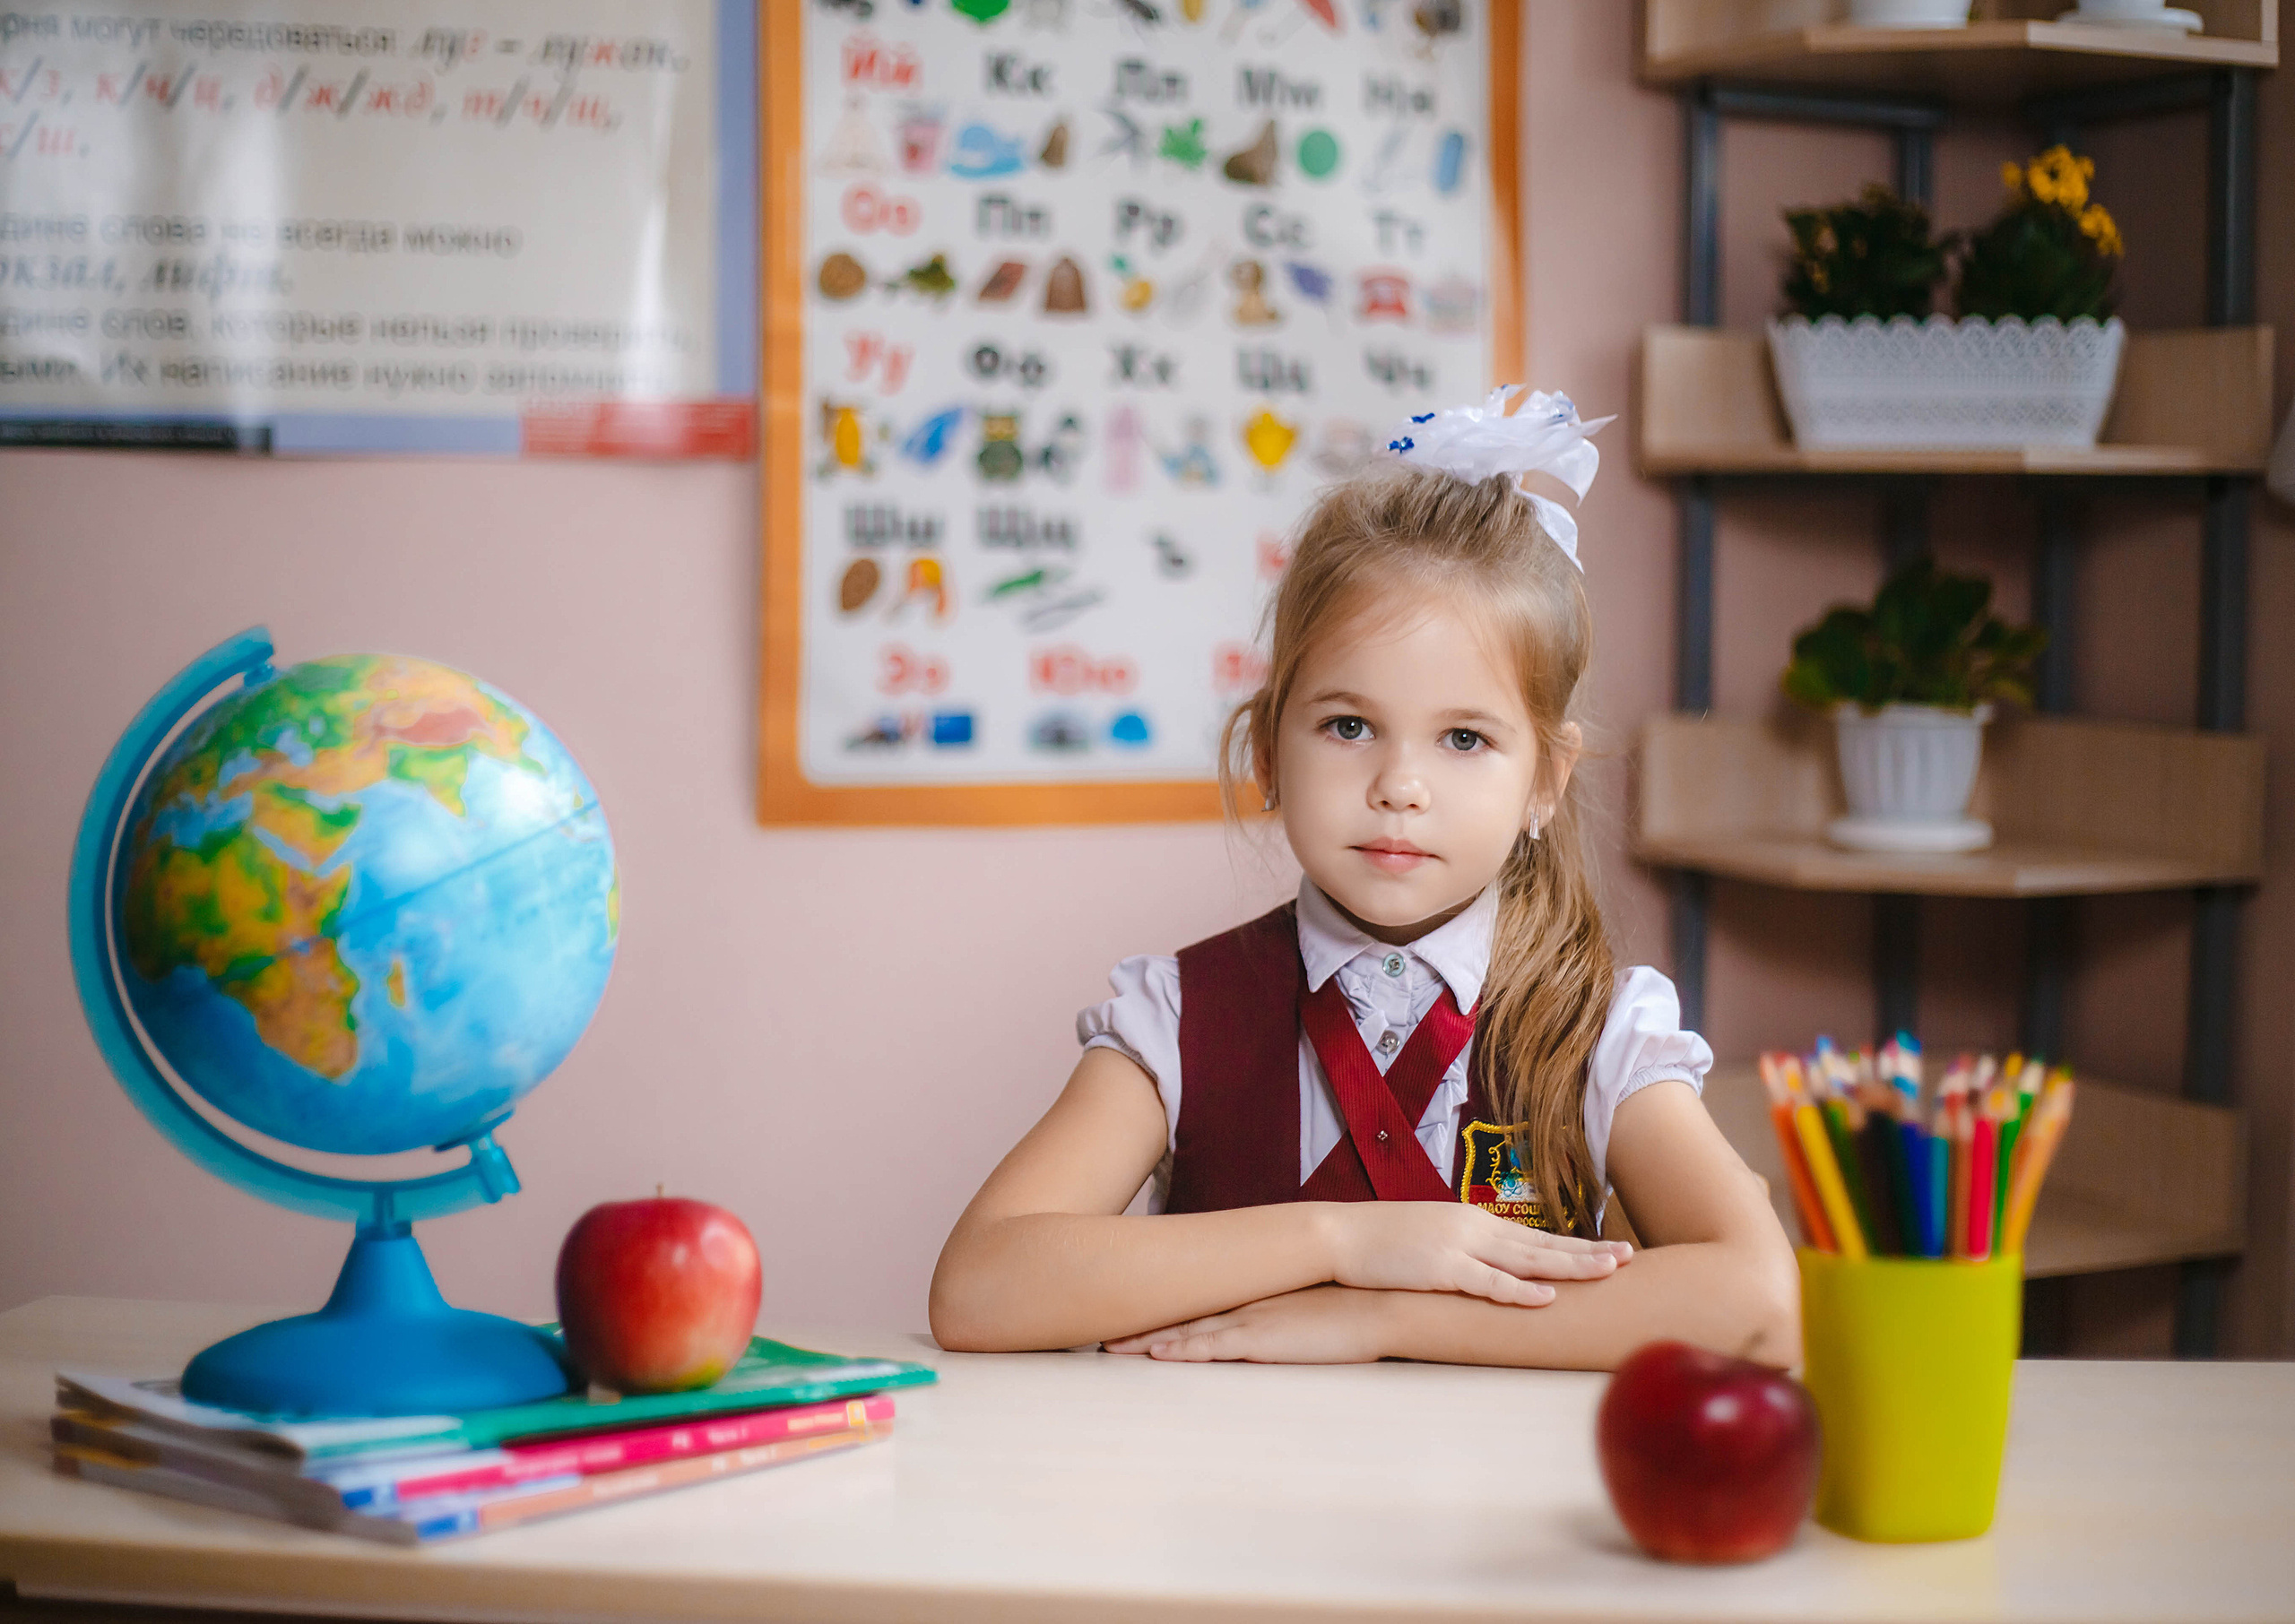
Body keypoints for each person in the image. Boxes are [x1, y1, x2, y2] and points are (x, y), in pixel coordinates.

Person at [931, 390, 1798, 1370]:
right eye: (1348, 727)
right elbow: (979, 1287)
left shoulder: (1602, 1030)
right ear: (1268, 747)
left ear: (1544, 782)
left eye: (1464, 738)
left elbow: (1760, 1305)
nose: (1399, 787)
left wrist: (1383, 1316)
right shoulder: (1174, 1017)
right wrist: (1345, 1242)